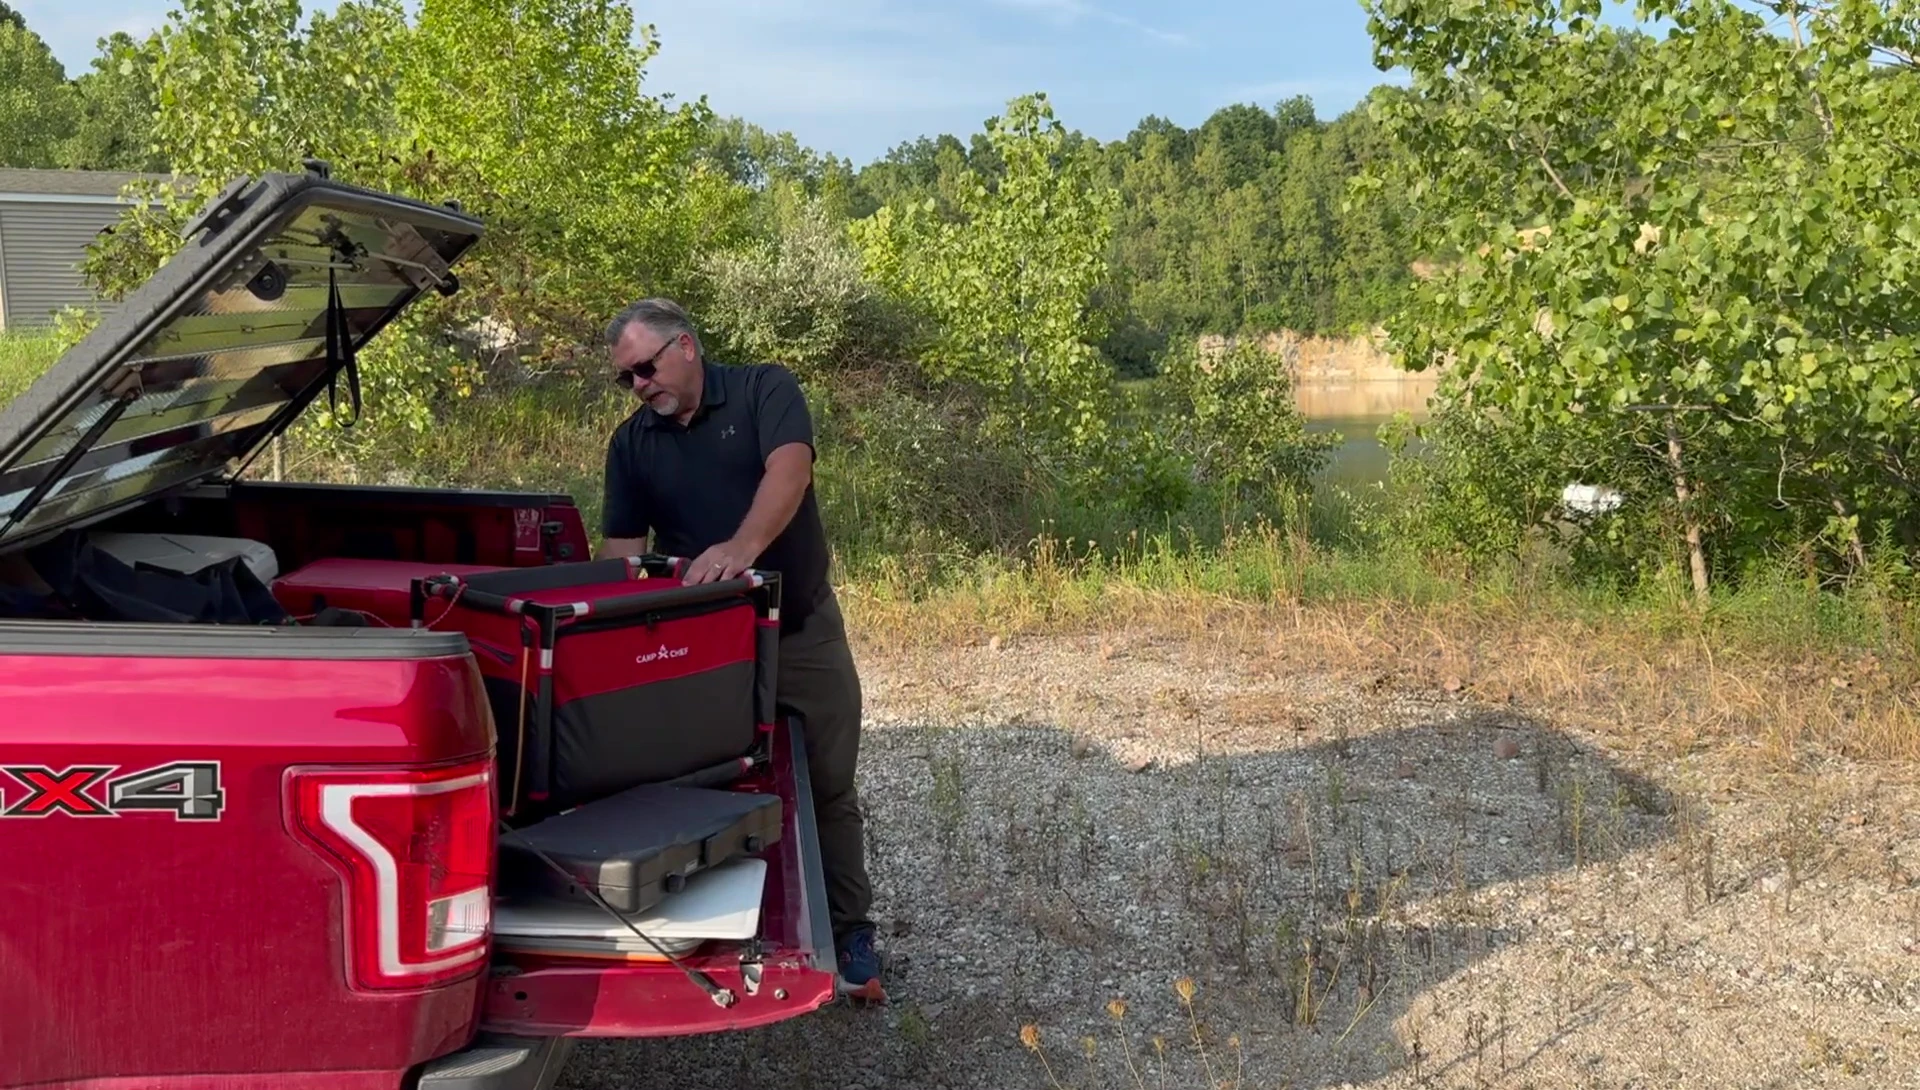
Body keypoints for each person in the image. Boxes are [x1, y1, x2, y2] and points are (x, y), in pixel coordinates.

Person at [594, 297, 883, 1001]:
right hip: (708, 655)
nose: (639, 386)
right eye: (626, 378)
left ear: (685, 347)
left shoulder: (765, 389)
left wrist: (740, 552)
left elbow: (790, 472)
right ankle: (725, 949)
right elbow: (621, 561)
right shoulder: (632, 446)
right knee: (710, 792)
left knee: (828, 788)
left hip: (802, 628)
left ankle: (852, 939)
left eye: (645, 368)